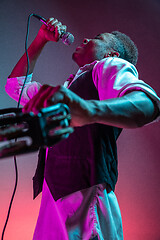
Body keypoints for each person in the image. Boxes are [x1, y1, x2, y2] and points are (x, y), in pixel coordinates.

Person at [5, 17, 160, 240]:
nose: (87, 38)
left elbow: (148, 103)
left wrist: (87, 109)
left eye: (98, 38)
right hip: (54, 198)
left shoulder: (108, 67)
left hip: (85, 198)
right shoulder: (68, 88)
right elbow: (16, 86)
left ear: (111, 54)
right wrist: (40, 39)